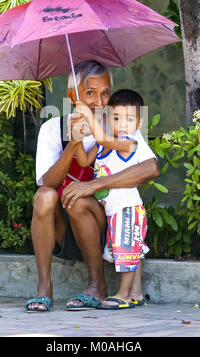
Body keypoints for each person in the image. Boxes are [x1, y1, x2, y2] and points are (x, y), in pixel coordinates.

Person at [25, 61, 159, 312]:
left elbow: (151, 168)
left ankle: (97, 286)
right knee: (44, 196)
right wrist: (74, 143)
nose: (100, 101)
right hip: (62, 228)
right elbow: (49, 184)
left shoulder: (120, 126)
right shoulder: (53, 128)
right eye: (90, 93)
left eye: (105, 93)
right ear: (71, 96)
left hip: (103, 227)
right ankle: (44, 288)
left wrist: (93, 186)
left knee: (79, 199)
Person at [74, 89, 156, 309]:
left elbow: (101, 136)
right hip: (113, 210)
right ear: (108, 118)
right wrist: (77, 135)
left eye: (129, 119)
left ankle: (123, 295)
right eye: (116, 118)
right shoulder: (103, 144)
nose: (121, 124)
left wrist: (88, 115)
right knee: (130, 248)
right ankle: (136, 293)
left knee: (127, 250)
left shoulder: (130, 144)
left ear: (138, 125)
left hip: (127, 207)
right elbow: (82, 161)